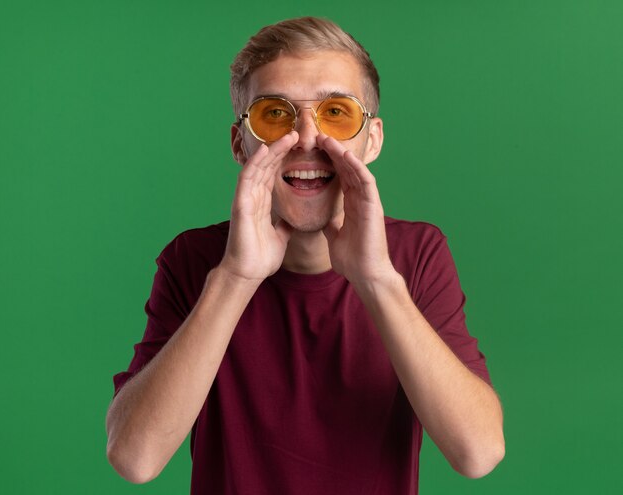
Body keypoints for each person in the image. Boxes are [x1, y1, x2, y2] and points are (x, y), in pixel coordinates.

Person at [106, 16, 505, 494]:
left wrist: (377, 280)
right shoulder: (194, 261)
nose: (310, 139)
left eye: (336, 112)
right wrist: (235, 277)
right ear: (240, 142)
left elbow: (478, 453)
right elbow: (134, 459)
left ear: (372, 138)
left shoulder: (416, 255)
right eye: (275, 114)